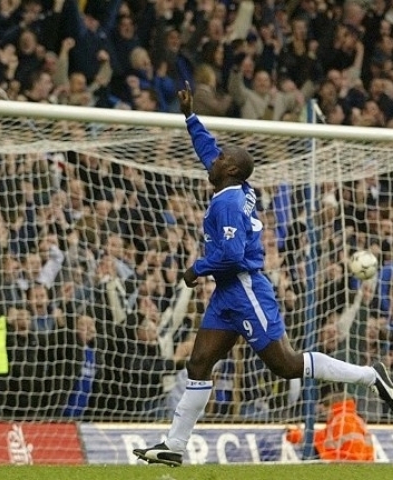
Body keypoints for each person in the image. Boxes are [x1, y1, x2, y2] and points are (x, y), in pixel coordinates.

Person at [133, 82, 393, 467]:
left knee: (285, 365)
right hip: (226, 295)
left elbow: (234, 256)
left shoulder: (230, 203)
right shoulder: (234, 186)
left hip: (245, 288)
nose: (214, 159)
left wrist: (196, 269)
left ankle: (371, 376)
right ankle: (174, 445)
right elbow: (208, 152)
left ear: (231, 169)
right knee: (199, 363)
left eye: (221, 158)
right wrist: (190, 118)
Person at [286, 389, 374, 462]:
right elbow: (318, 437)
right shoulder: (357, 420)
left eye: (325, 409)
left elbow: (317, 438)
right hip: (364, 465)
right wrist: (295, 435)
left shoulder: (339, 420)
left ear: (331, 407)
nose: (324, 414)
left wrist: (293, 434)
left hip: (343, 466)